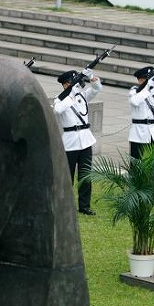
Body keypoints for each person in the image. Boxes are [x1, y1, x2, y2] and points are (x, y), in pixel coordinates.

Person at [53, 69, 102, 216]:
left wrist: (92, 77)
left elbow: (97, 89)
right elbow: (57, 110)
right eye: (72, 83)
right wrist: (71, 94)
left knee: (85, 175)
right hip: (70, 141)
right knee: (68, 176)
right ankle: (64, 205)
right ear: (66, 84)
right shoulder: (60, 99)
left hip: (85, 140)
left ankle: (84, 206)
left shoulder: (82, 96)